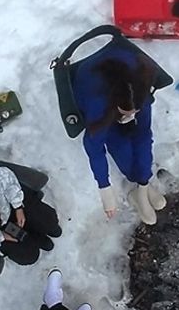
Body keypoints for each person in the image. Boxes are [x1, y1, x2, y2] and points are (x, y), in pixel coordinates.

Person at [72, 46, 168, 225]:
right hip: (90, 87)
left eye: (134, 112)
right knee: (121, 145)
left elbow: (144, 134)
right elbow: (95, 147)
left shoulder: (140, 87)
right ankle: (135, 188)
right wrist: (105, 188)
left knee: (137, 139)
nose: (131, 116)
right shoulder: (98, 103)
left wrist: (145, 178)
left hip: (120, 77)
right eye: (126, 113)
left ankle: (142, 187)